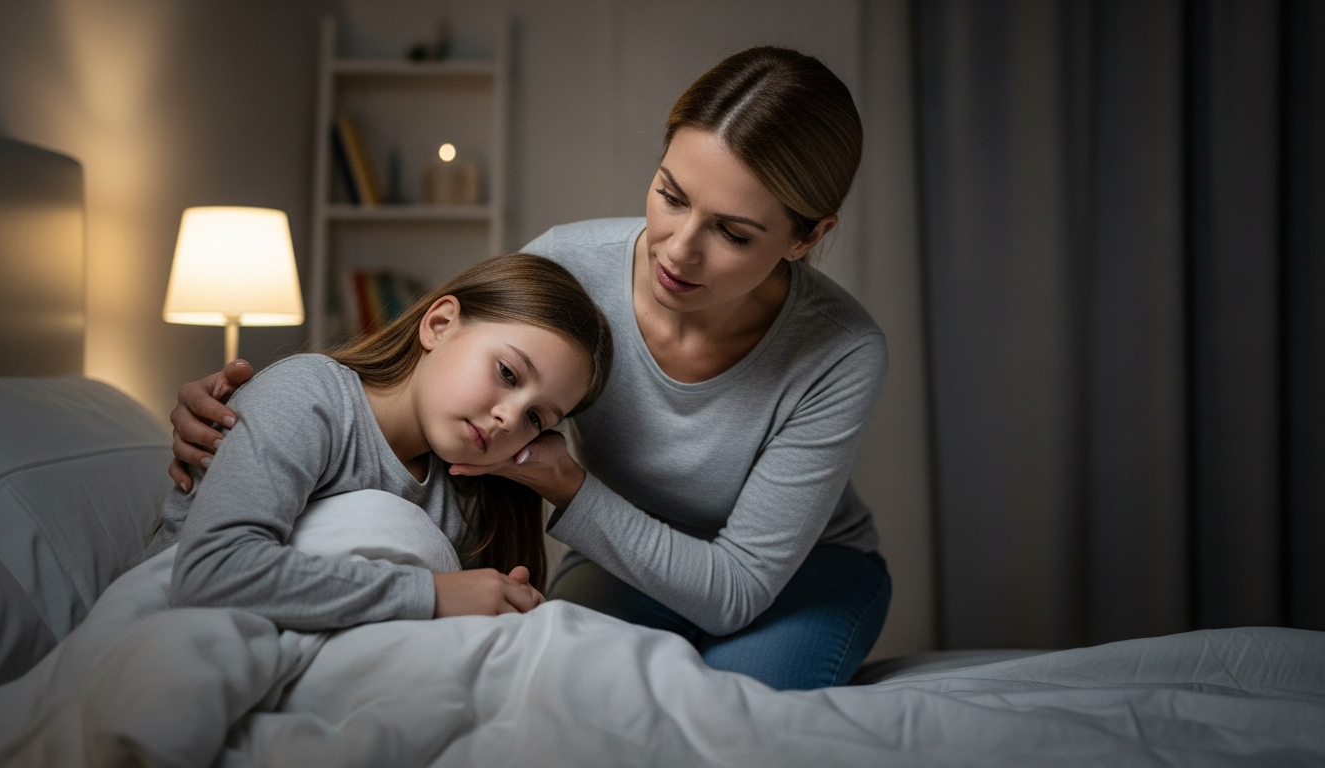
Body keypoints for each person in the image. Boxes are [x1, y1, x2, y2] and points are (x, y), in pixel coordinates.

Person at [171, 46, 890, 688]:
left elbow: (733, 592)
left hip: (796, 576)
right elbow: (437, 371)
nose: (677, 248)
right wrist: (251, 419)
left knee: (732, 715)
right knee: (552, 691)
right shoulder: (568, 265)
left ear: (807, 237)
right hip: (624, 560)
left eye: (732, 232)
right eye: (671, 196)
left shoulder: (840, 350)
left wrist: (567, 484)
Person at [145, 254, 613, 630]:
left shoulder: (469, 497)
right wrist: (434, 594)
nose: (509, 419)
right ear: (440, 324)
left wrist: (497, 609)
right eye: (507, 373)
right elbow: (210, 572)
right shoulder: (311, 396)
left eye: (535, 418)